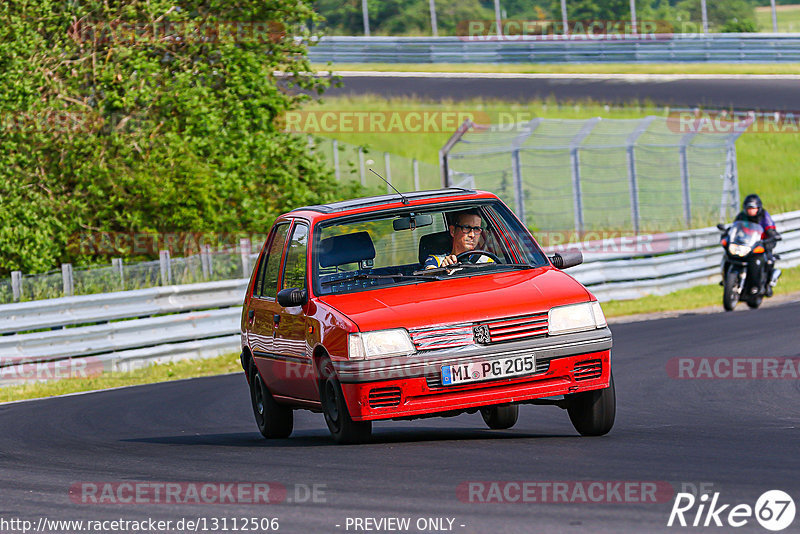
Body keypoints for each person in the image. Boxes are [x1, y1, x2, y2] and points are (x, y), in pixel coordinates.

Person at [734, 194, 780, 296]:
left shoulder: (764, 216)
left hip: (761, 244)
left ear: (758, 208)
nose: (751, 210)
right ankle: (730, 278)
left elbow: (770, 228)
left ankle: (767, 284)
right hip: (745, 244)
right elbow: (734, 228)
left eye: (753, 208)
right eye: (748, 208)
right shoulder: (742, 216)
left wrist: (772, 234)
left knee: (768, 260)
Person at [424, 209, 495, 270]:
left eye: (476, 229)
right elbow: (428, 275)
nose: (472, 235)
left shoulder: (487, 261)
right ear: (453, 231)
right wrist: (442, 270)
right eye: (466, 228)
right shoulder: (436, 260)